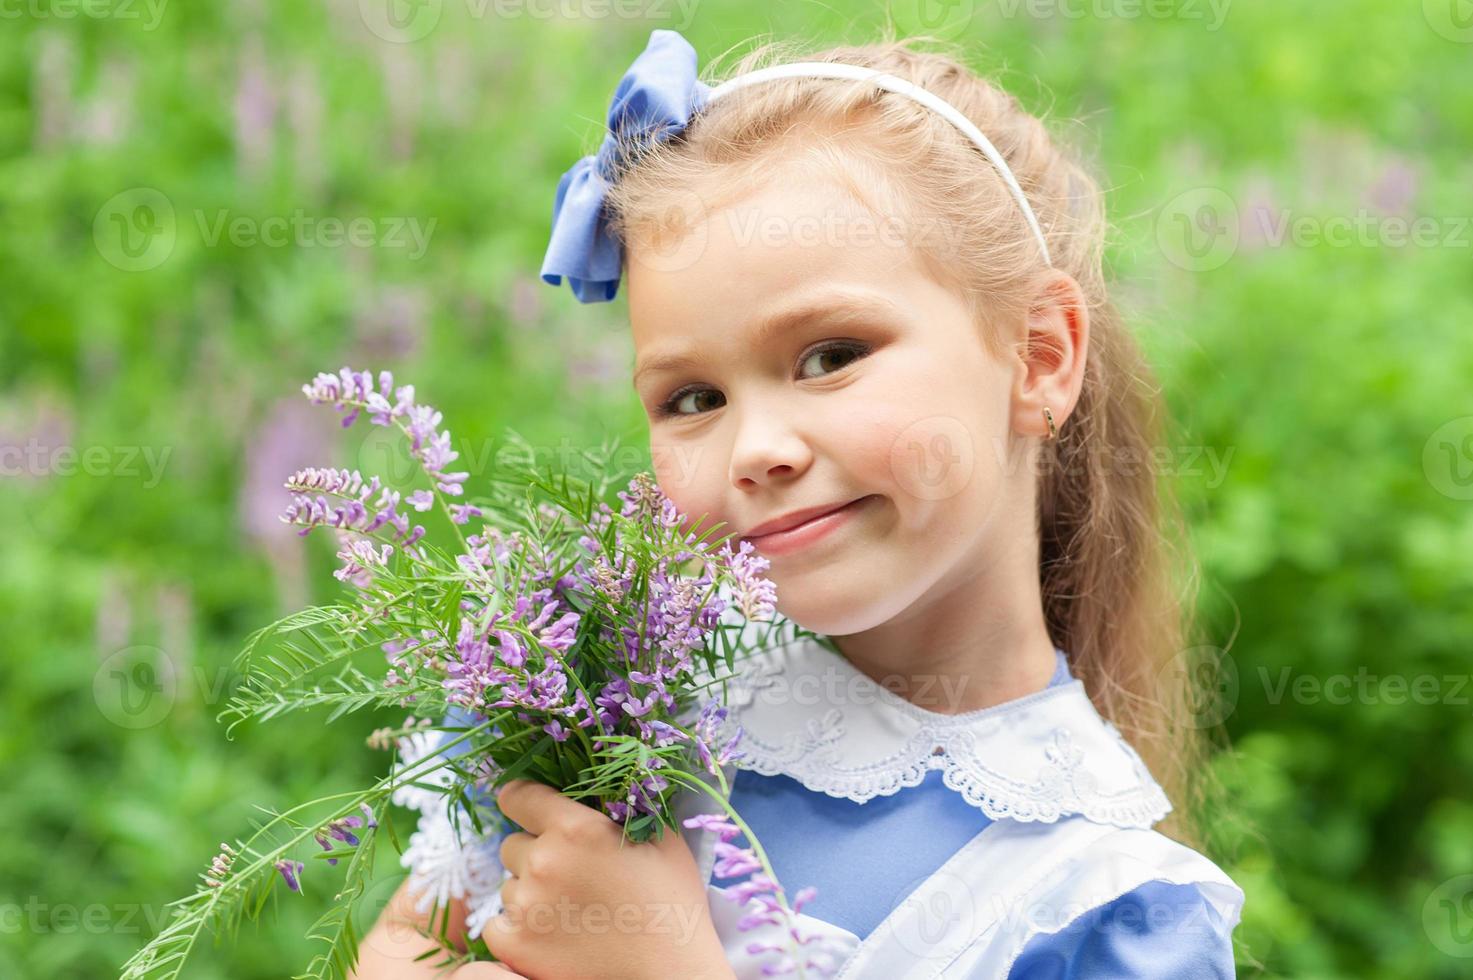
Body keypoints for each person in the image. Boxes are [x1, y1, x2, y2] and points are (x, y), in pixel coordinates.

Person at [352, 27, 1244, 979]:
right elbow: (402, 944)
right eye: (692, 399)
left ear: (1038, 355)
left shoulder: (1098, 906)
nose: (758, 449)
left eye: (830, 357)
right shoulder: (609, 702)